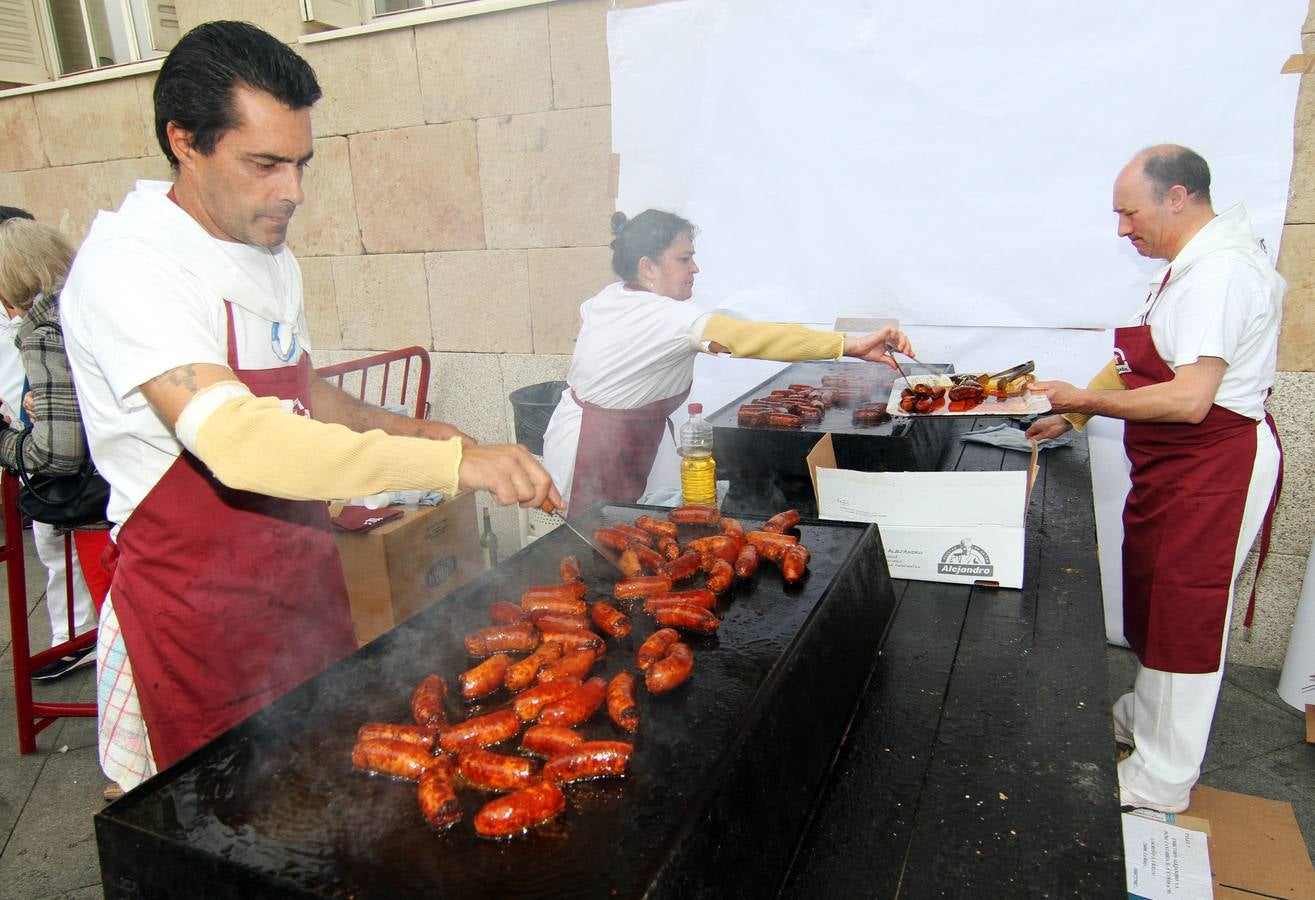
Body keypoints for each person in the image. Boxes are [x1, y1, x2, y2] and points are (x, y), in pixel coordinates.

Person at [60, 21, 560, 792]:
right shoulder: (131, 269)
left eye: (300, 163)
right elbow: (238, 440)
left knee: (324, 791)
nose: (291, 191)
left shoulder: (265, 252)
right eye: (263, 163)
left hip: (301, 587)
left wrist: (419, 427)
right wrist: (449, 463)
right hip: (199, 617)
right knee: (220, 819)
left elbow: (299, 391)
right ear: (185, 140)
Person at [1025, 145, 1283, 813]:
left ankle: (1160, 777)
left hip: (1212, 467)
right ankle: (1145, 715)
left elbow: (1188, 398)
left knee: (1185, 612)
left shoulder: (1218, 275)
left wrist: (1078, 400)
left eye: (1127, 213)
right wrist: (1075, 413)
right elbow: (1143, 362)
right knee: (1153, 598)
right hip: (1178, 466)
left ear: (1177, 198)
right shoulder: (1185, 268)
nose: (1121, 229)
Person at [541, 209, 913, 512]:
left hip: (606, 433)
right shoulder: (666, 317)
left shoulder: (612, 296)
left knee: (621, 532)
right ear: (648, 267)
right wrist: (851, 345)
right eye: (684, 259)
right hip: (595, 447)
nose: (695, 269)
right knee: (594, 539)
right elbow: (749, 339)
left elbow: (585, 316)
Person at [0, 209, 108, 680]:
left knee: (130, 634)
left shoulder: (45, 331)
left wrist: (7, 443)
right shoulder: (91, 304)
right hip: (138, 484)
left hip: (101, 499)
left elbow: (57, 453)